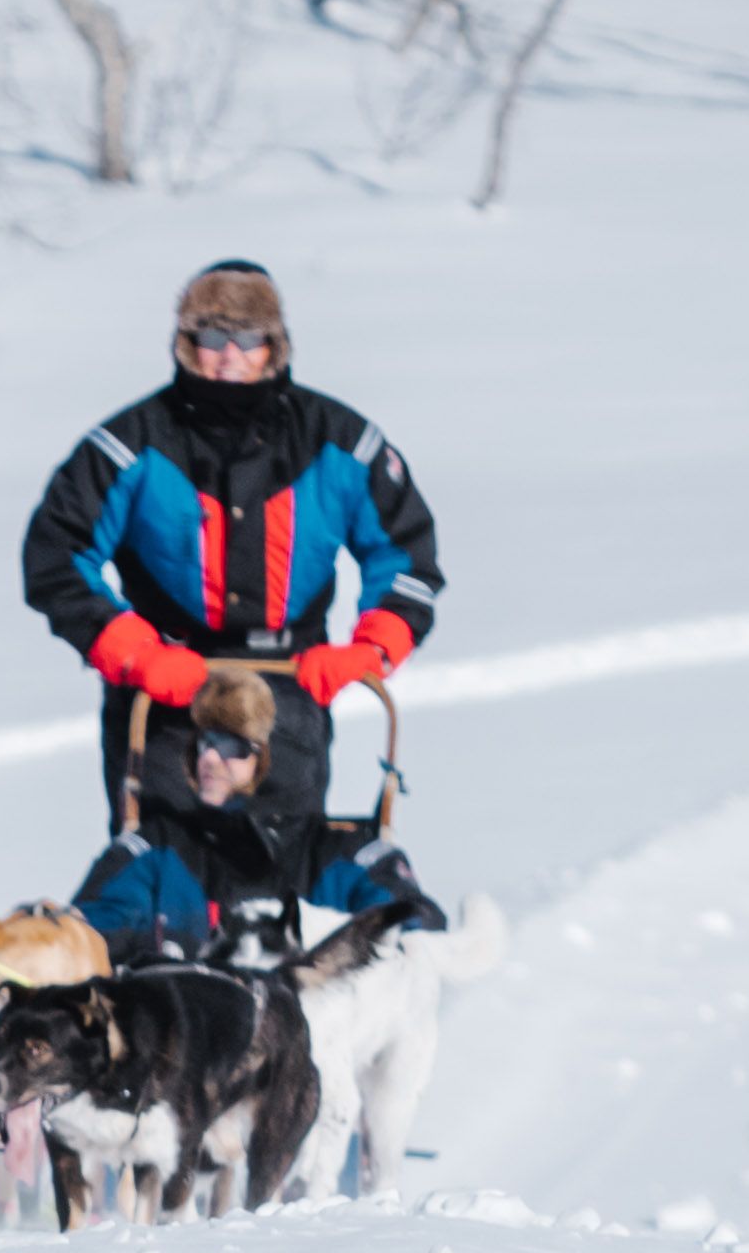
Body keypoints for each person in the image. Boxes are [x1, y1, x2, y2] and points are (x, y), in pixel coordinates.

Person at [22, 255, 444, 890]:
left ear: (273, 346)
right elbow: (56, 553)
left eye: (246, 340)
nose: (227, 356)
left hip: (290, 686)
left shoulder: (338, 439)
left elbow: (408, 555)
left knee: (273, 877)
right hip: (164, 692)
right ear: (186, 343)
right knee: (162, 883)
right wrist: (134, 653)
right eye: (212, 338)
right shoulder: (131, 442)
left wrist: (369, 650)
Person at [70, 670, 424, 961]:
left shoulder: (344, 857)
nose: (208, 758)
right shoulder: (157, 849)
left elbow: (414, 927)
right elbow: (93, 928)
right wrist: (63, 933)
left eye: (229, 746)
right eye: (205, 742)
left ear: (277, 759)